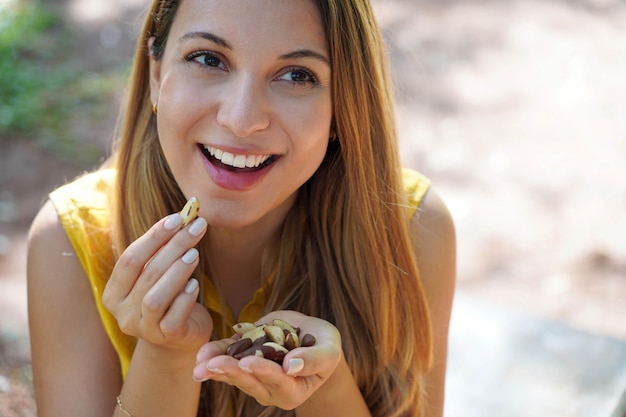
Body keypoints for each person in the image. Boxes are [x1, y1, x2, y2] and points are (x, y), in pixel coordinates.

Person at [26, 0, 456, 416]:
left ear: (344, 107)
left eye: (296, 74)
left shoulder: (411, 226)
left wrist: (324, 386)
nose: (242, 118)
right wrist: (166, 353)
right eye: (208, 59)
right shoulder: (70, 240)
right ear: (157, 75)